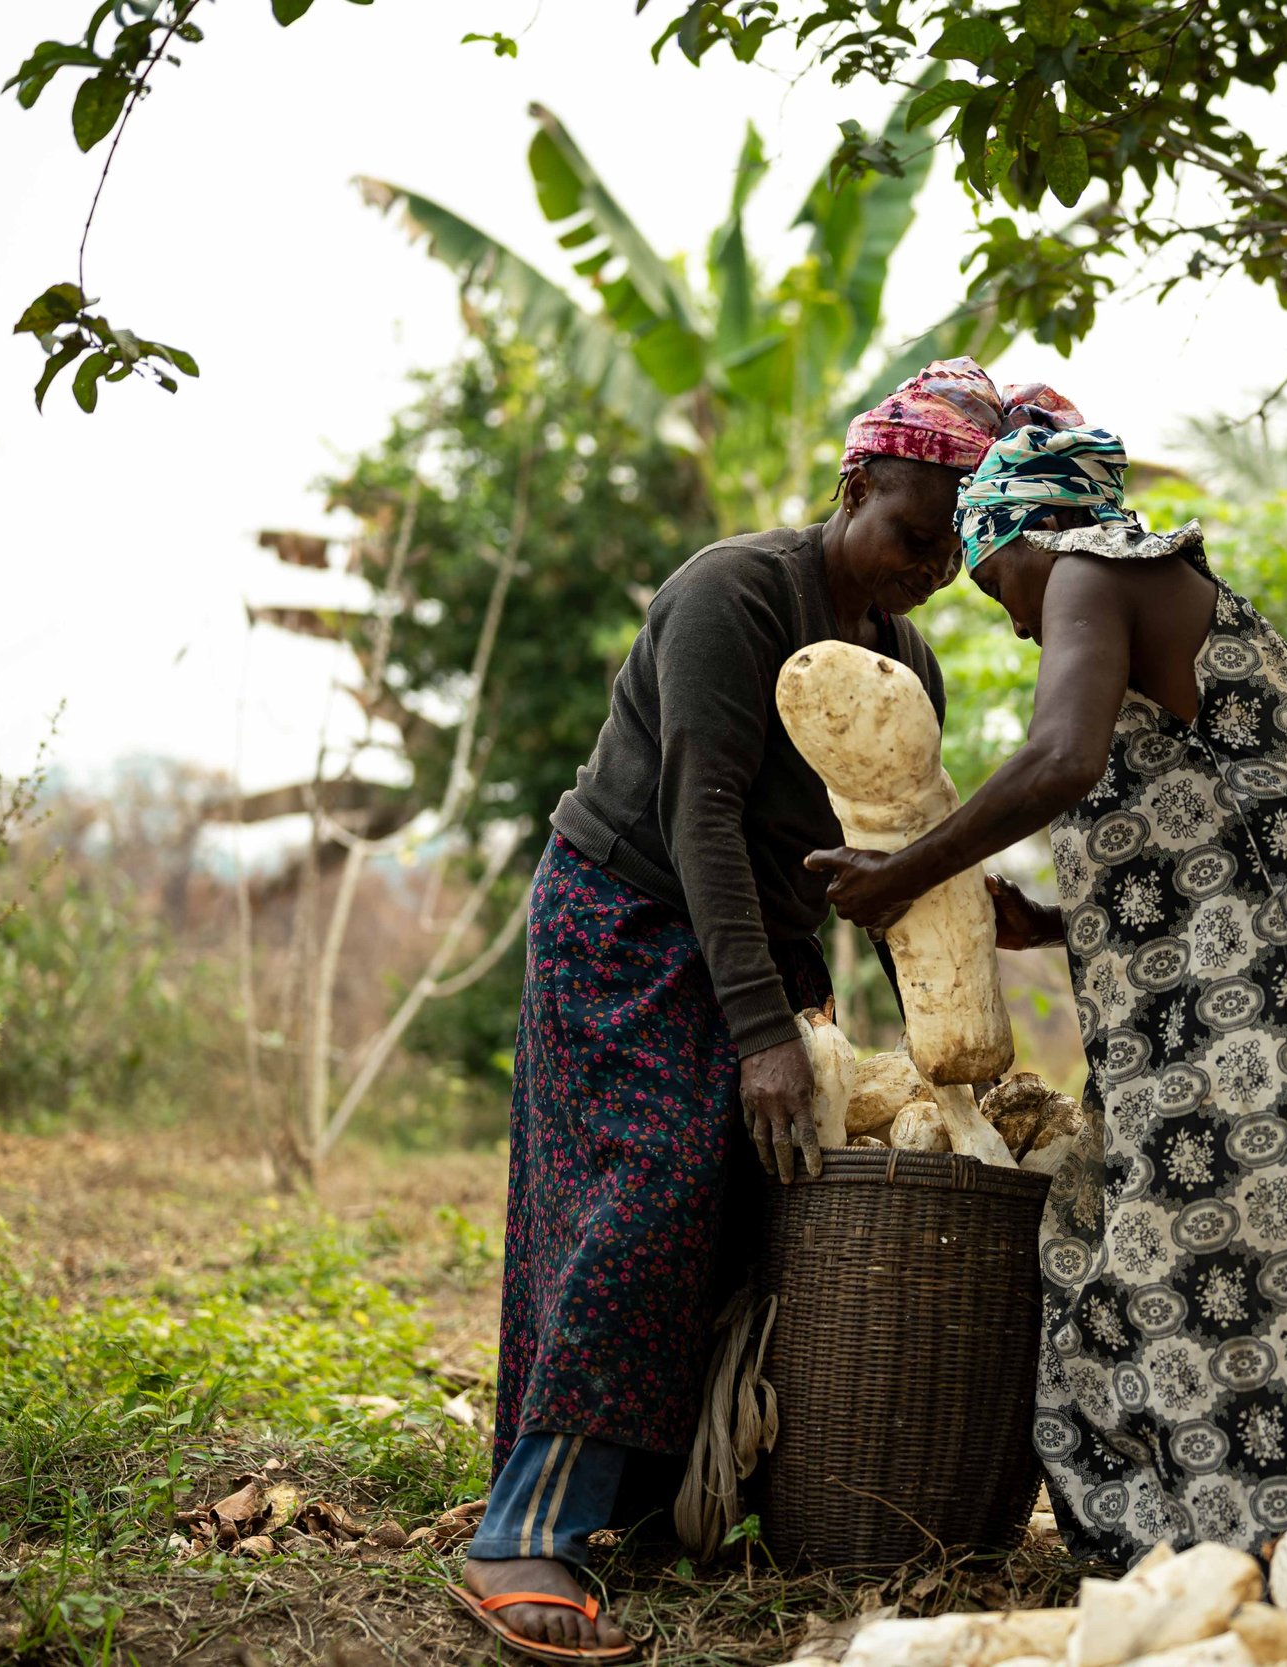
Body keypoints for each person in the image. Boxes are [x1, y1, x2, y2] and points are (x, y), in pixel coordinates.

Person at [460, 362, 1080, 1661]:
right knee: (638, 1200)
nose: (926, 568)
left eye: (950, 548)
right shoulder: (730, 593)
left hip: (764, 948)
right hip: (627, 918)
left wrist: (961, 935)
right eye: (914, 531)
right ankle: (525, 1529)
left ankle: (636, 1503)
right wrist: (759, 1036)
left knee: (759, 1214)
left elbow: (874, 856)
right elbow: (698, 819)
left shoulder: (905, 661)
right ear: (859, 481)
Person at [809, 423, 1287, 1567]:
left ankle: (1252, 1542)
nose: (1011, 616)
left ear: (1026, 531)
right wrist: (1050, 921)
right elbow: (1216, 822)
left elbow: (1059, 757)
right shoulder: (1138, 589)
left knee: (1205, 1240)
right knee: (1269, 1235)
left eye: (989, 574)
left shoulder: (1088, 569)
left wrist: (901, 872)